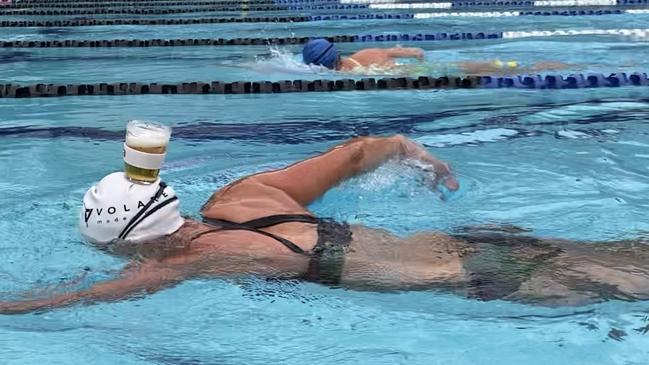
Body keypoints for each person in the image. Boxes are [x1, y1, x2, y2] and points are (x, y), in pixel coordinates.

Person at [1, 135, 648, 314]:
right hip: (483, 238)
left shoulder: (193, 260)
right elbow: (358, 150)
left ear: (136, 245)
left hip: (484, 273)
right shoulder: (242, 193)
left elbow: (78, 297)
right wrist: (408, 148)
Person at [301, 38, 570, 75]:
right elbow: (416, 51)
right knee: (508, 68)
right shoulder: (368, 53)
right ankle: (553, 65)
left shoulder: (346, 75)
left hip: (431, 76)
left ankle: (542, 68)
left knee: (510, 71)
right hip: (435, 67)